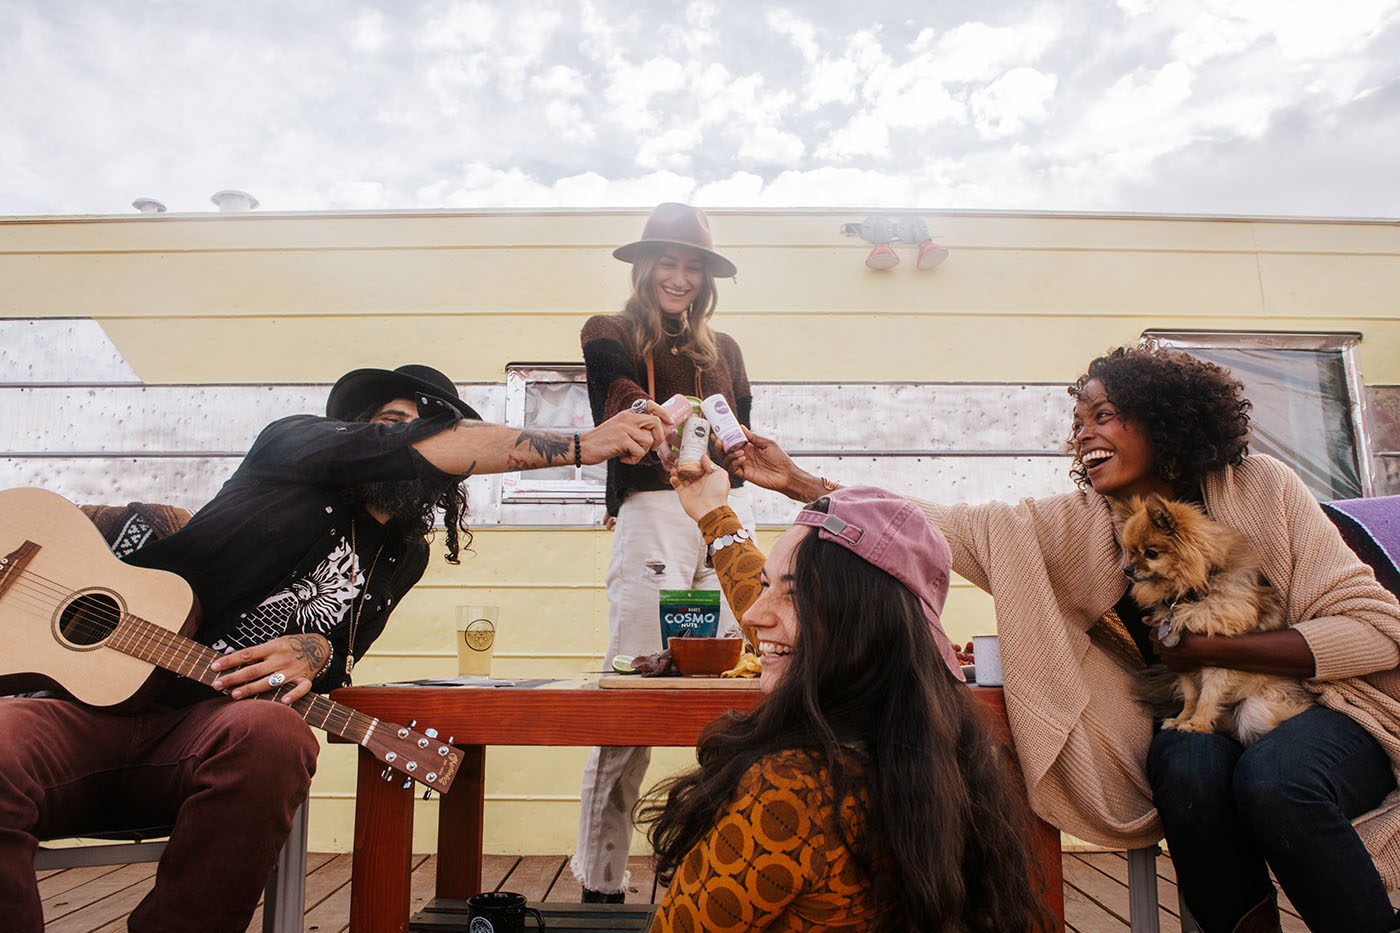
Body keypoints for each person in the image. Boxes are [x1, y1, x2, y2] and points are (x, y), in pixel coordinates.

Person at [724, 346, 1400, 933]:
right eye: (1077, 422)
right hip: (1201, 718)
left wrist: (1218, 650)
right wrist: (799, 484)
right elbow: (940, 529)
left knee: (1273, 779)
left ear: (1164, 418)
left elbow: (1377, 628)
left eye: (1103, 416)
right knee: (1186, 770)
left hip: (1327, 709)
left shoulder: (1264, 488)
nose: (1083, 435)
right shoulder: (1082, 524)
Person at [0, 363, 665, 933]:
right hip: (78, 712)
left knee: (274, 734)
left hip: (203, 734)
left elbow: (334, 667)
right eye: (391, 422)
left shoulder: (405, 556)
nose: (404, 438)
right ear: (349, 434)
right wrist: (584, 441)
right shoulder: (289, 446)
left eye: (429, 427)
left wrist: (312, 652)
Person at [636, 464, 1048, 931]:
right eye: (768, 586)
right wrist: (714, 514)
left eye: (794, 596)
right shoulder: (941, 756)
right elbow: (785, 613)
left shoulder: (791, 791)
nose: (754, 613)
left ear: (862, 626)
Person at [573, 203, 758, 901]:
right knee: (633, 690)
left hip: (719, 511)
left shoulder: (728, 350)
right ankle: (600, 880)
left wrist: (751, 461)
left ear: (705, 277)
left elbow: (743, 437)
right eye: (668, 263)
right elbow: (617, 399)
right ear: (646, 266)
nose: (680, 277)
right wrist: (661, 415)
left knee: (740, 691)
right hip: (653, 509)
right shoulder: (609, 330)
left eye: (693, 266)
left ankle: (727, 866)